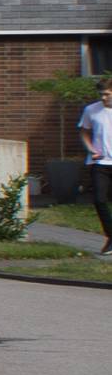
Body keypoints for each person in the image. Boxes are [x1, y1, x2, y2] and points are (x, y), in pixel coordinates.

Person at [82, 76, 112, 257]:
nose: (103, 98)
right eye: (101, 94)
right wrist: (90, 148)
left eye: (107, 94)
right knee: (99, 200)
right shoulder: (91, 110)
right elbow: (84, 132)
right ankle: (111, 236)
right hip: (100, 162)